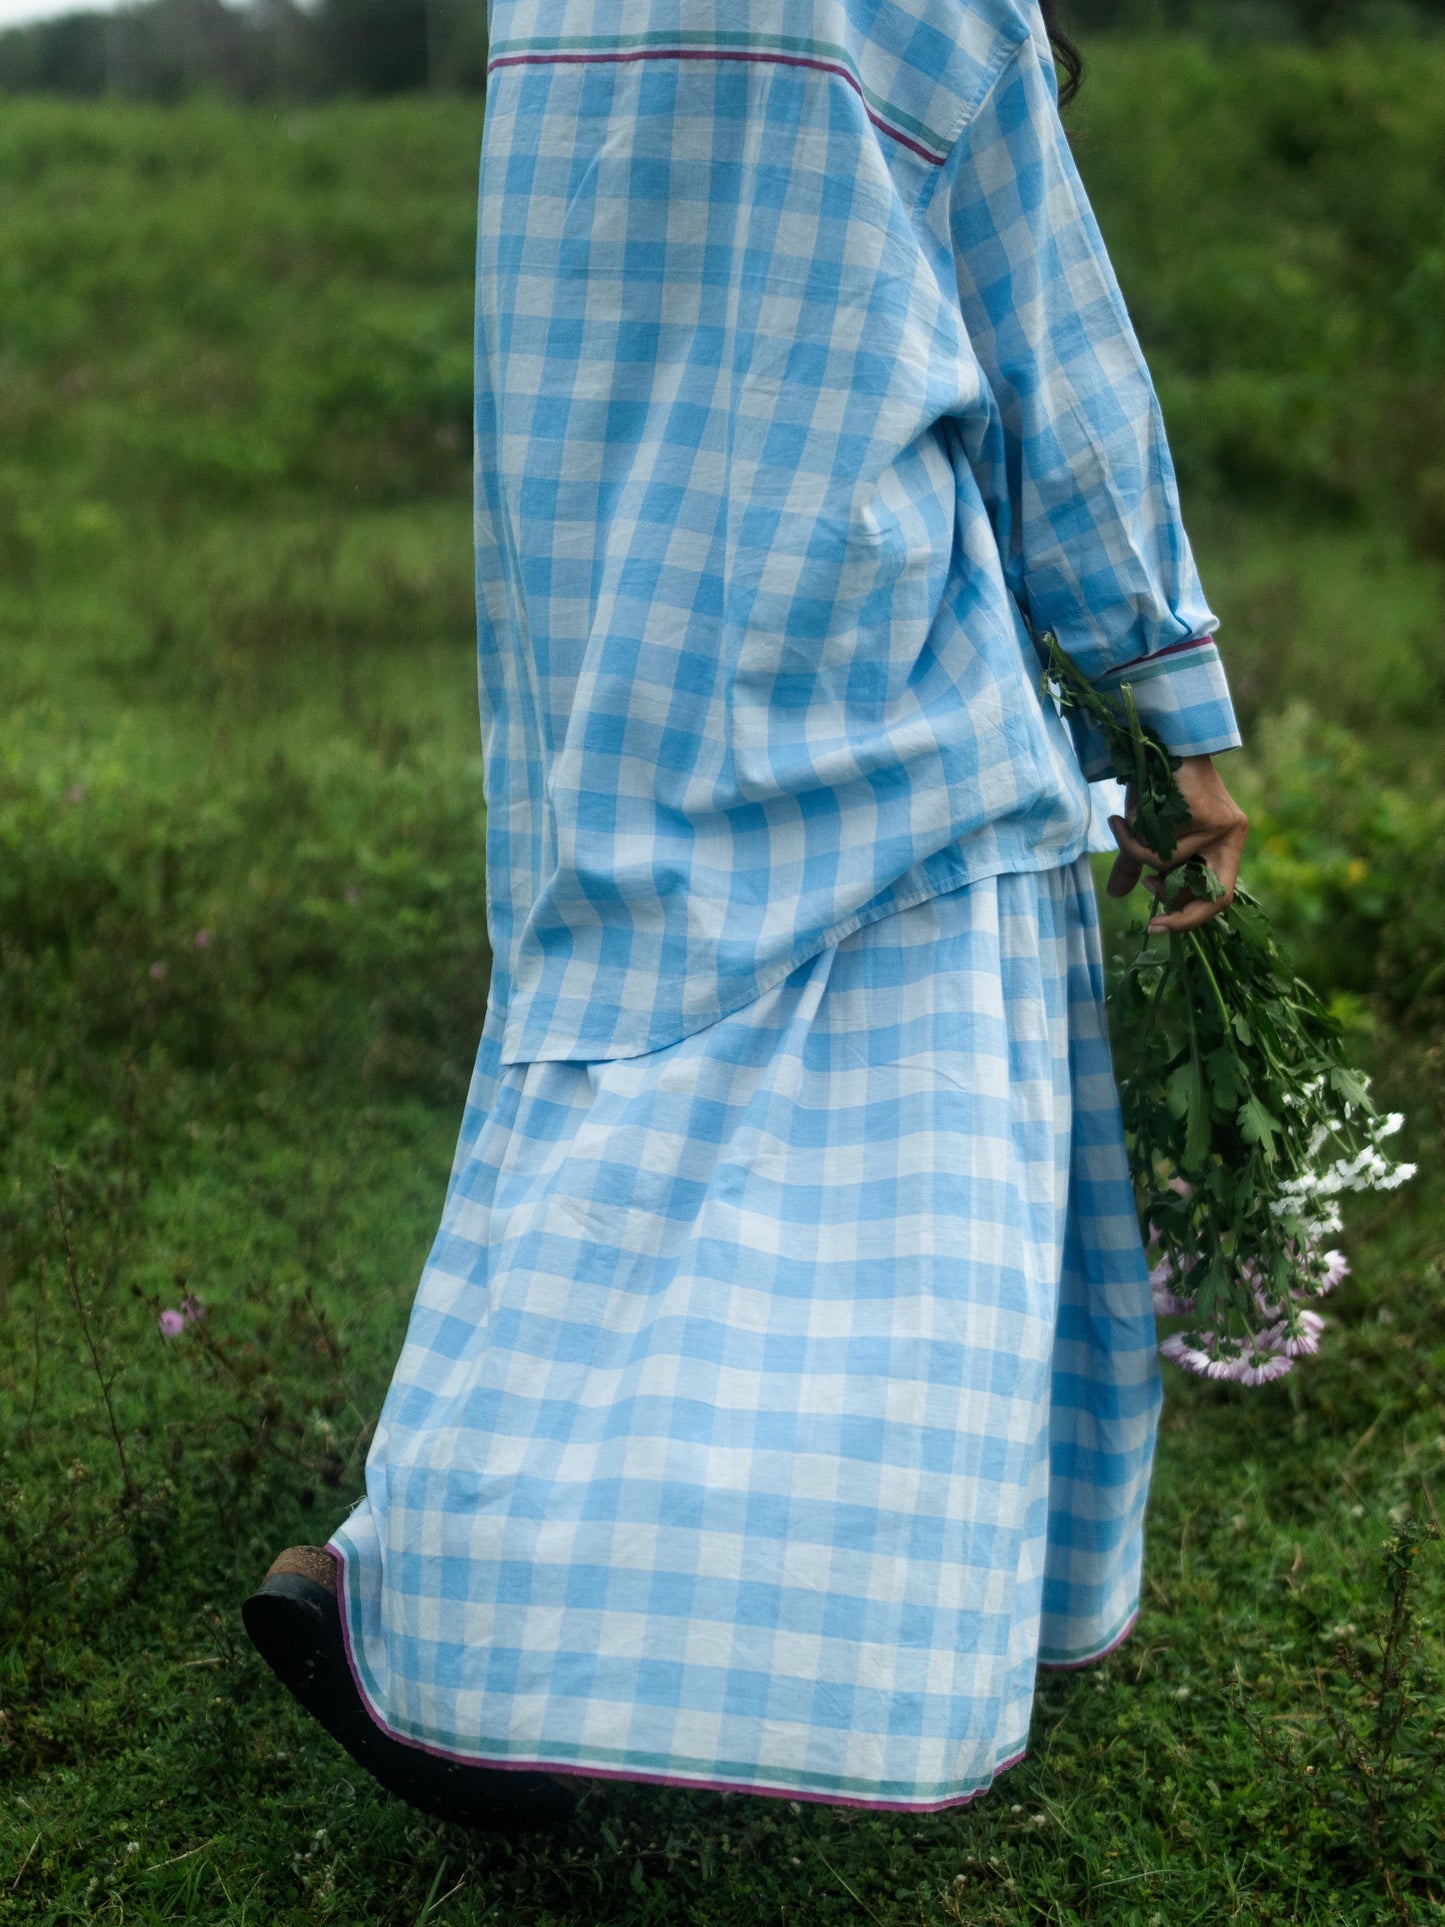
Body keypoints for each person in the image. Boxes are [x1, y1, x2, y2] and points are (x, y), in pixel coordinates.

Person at [244, 0, 1248, 1827]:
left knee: (605, 1155)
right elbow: (1052, 359)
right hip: (880, 682)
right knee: (902, 1227)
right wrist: (1167, 702)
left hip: (611, 653)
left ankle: (437, 1598)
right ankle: (841, 1672)